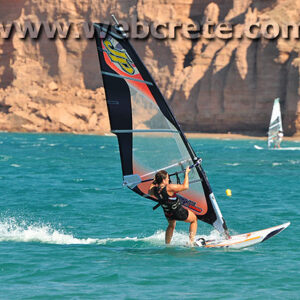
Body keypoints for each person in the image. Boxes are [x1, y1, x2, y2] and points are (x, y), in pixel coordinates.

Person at [148, 167, 198, 245]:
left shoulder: (154, 190)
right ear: (164, 180)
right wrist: (186, 173)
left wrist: (154, 182)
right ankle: (191, 242)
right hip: (178, 212)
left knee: (171, 225)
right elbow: (185, 187)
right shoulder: (169, 187)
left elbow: (149, 191)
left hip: (168, 213)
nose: (168, 179)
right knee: (194, 219)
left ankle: (167, 244)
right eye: (168, 178)